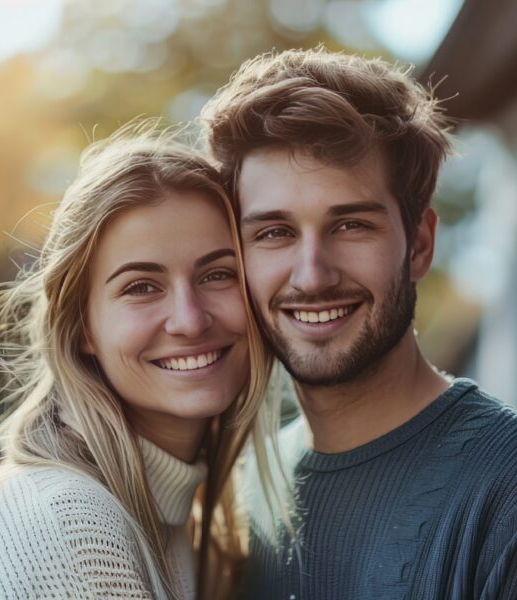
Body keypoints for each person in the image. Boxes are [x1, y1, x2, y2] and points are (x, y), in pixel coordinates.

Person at [0, 123, 287, 600]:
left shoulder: (184, 523)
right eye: (141, 286)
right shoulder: (73, 528)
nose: (190, 320)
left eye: (217, 275)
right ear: (82, 329)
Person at [201, 47, 517, 599]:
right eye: (274, 232)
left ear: (419, 245)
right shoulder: (241, 499)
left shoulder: (503, 487)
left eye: (350, 225)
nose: (312, 275)